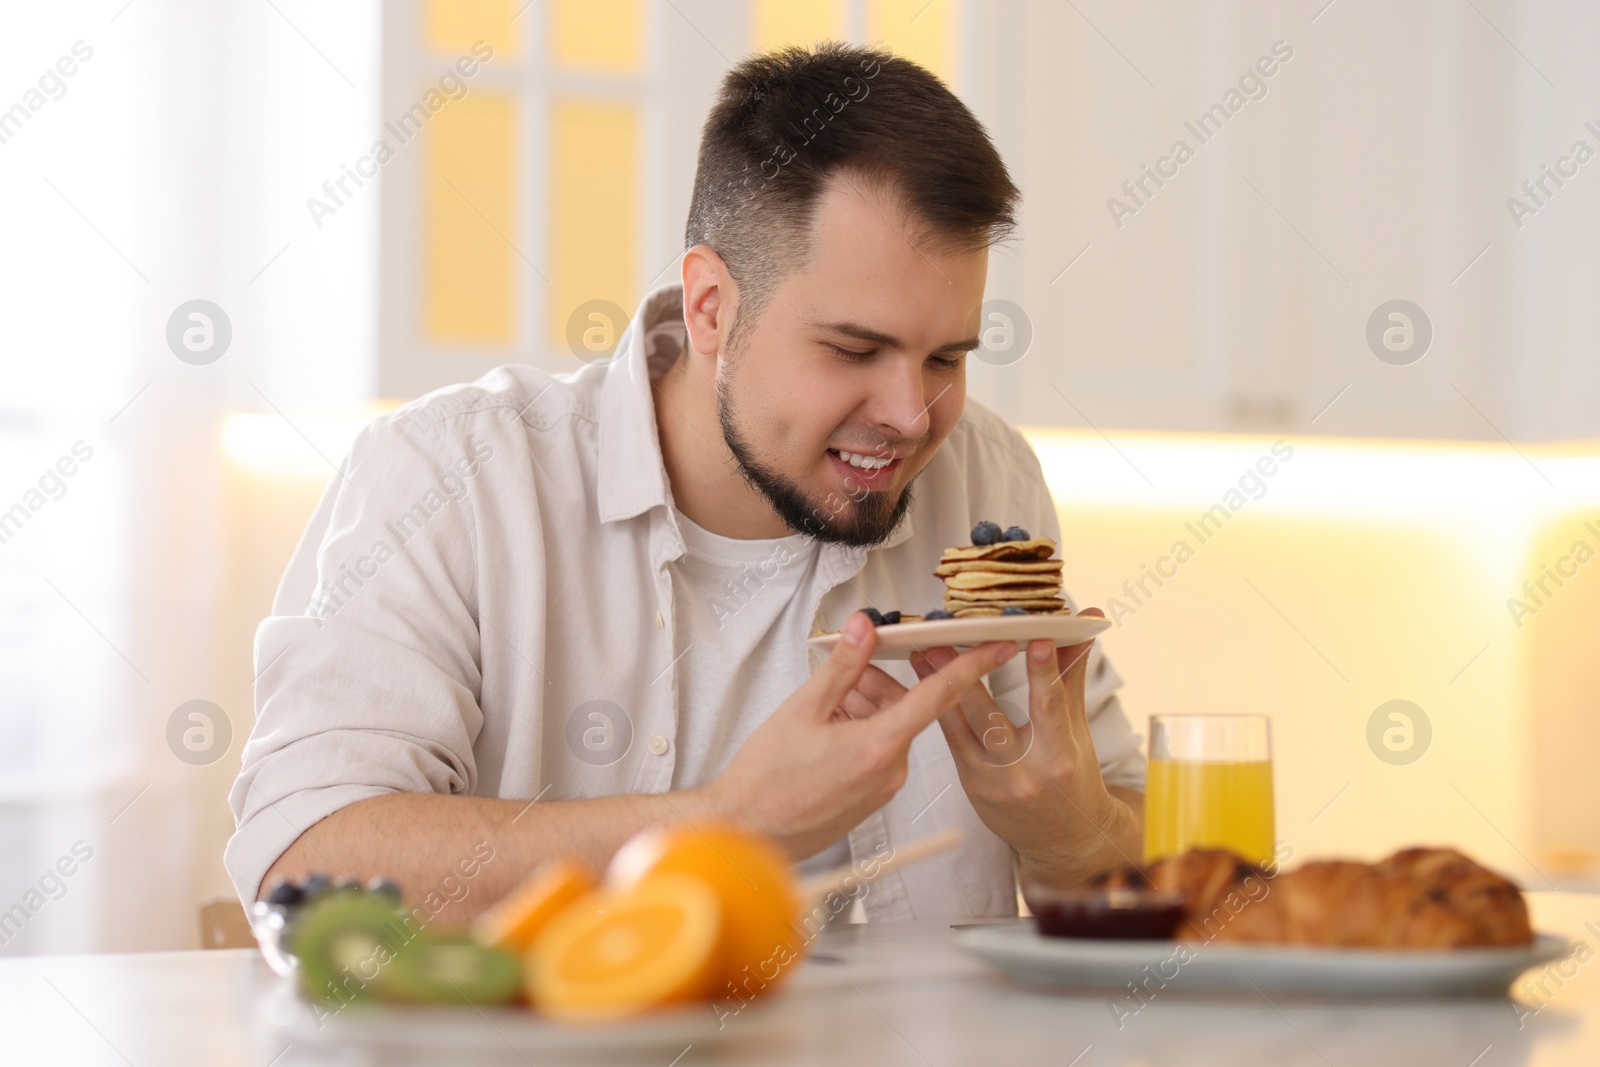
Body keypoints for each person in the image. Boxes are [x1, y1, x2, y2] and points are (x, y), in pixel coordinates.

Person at [227, 42, 1144, 926]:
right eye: (853, 350)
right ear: (710, 306)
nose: (912, 414)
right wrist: (729, 819)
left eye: (947, 355)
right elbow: (305, 865)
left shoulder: (987, 476)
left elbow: (1148, 849)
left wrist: (1076, 840)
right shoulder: (451, 480)